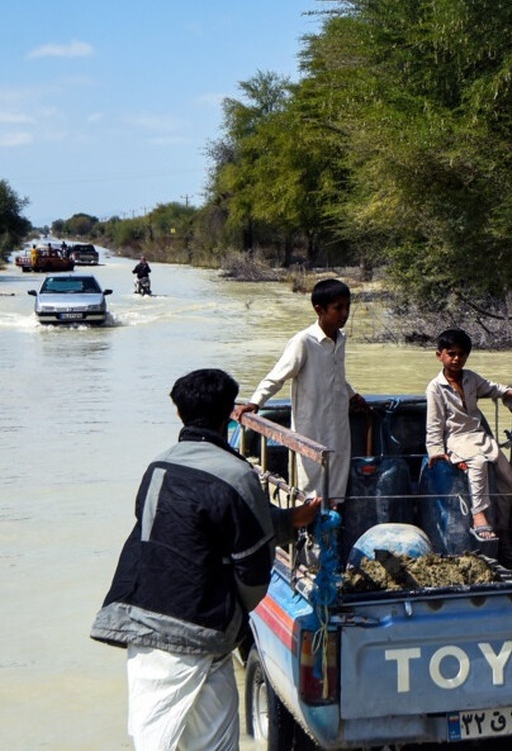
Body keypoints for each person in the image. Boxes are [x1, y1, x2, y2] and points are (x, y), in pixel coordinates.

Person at [90, 368, 321, 751]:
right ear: (229, 413)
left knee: (153, 740)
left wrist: (286, 520)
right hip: (202, 631)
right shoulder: (237, 474)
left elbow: (166, 535)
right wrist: (229, 615)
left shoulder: (158, 467)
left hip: (144, 626)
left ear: (179, 415)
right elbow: (253, 569)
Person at [234, 277, 366, 504]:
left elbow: (336, 376)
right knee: (310, 488)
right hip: (311, 426)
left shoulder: (340, 339)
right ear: (319, 310)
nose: (344, 314)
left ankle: (332, 526)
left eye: (347, 307)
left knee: (335, 487)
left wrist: (353, 395)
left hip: (338, 425)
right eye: (338, 308)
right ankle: (308, 533)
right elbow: (276, 377)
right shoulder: (304, 341)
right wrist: (255, 403)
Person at [425, 327, 512, 542]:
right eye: (451, 354)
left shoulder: (471, 379)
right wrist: (437, 452)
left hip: (479, 435)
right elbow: (434, 423)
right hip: (456, 438)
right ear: (440, 355)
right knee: (478, 463)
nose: (456, 359)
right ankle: (479, 515)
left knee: (506, 474)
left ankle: (502, 524)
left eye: (461, 354)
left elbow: (493, 388)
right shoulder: (435, 388)